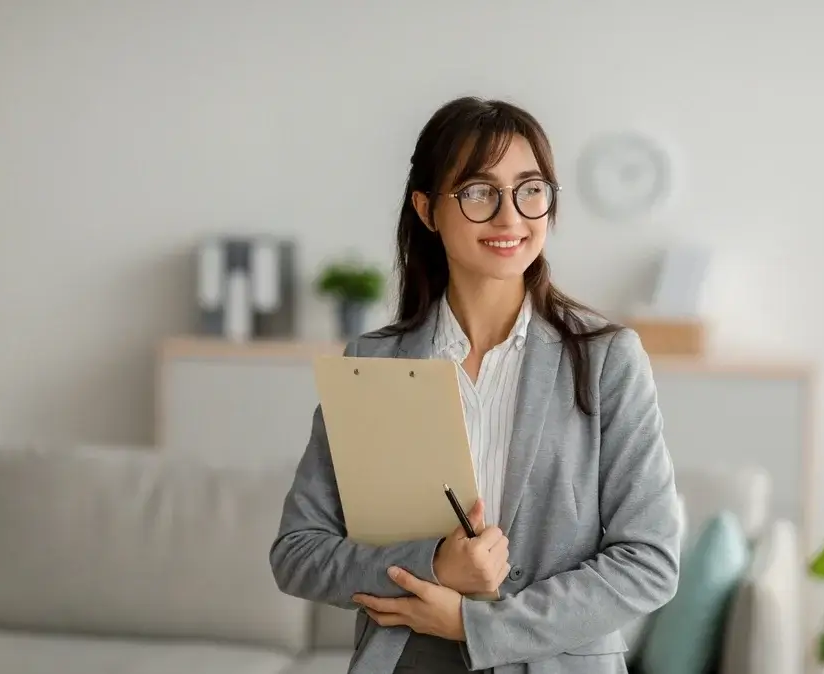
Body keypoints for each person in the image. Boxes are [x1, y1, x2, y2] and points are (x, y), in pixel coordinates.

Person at [270, 96, 683, 674]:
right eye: (478, 192)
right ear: (427, 208)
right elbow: (299, 553)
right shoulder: (373, 360)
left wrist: (475, 624)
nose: (510, 217)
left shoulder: (606, 358)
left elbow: (649, 561)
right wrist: (434, 566)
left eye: (530, 189)